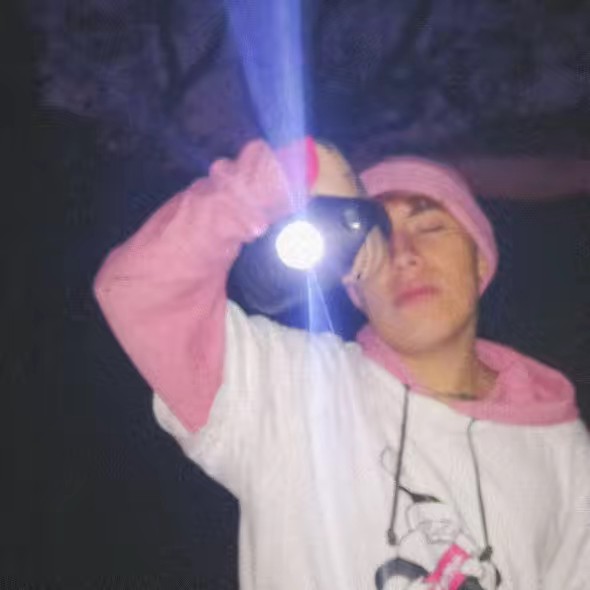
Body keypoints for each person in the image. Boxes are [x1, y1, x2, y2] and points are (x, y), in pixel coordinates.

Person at [94, 138, 590, 589]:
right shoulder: (289, 387)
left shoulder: (560, 447)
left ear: (480, 259)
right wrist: (290, 171)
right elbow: (137, 289)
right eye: (377, 239)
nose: (405, 254)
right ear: (355, 287)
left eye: (431, 226)